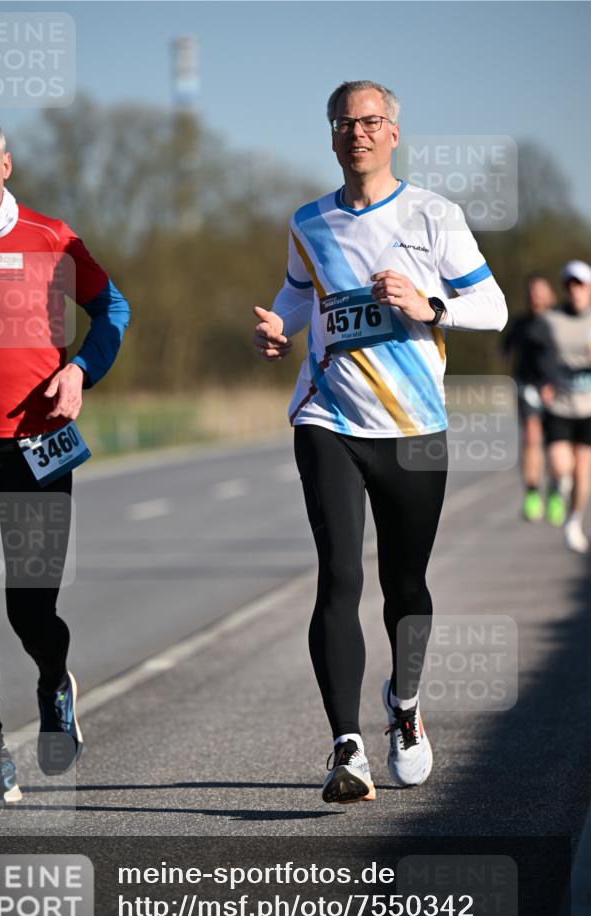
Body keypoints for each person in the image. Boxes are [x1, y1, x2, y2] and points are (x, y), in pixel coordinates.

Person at [253, 80, 507, 804]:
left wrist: (431, 306)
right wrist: (278, 326)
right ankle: (345, 746)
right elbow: (299, 293)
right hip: (327, 414)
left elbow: (491, 305)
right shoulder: (308, 220)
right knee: (338, 574)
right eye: (342, 123)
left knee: (405, 585)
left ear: (393, 132)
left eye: (368, 122)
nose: (355, 133)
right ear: (330, 136)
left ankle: (403, 707)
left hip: (414, 428)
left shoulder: (433, 215)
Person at [0, 112, 130, 807]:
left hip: (40, 449)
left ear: (5, 165)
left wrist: (79, 373)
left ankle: (54, 681)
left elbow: (113, 312)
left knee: (30, 609)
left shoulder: (50, 238)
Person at [537, 260, 591, 553]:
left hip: (589, 408)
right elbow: (535, 355)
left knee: (584, 471)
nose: (575, 290)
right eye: (569, 284)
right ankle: (560, 484)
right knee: (561, 465)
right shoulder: (551, 320)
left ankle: (574, 520)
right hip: (559, 404)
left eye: (580, 284)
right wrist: (542, 381)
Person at [500, 274, 556, 521]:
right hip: (528, 387)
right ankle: (533, 492)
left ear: (550, 294)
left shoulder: (559, 321)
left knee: (556, 446)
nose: (536, 295)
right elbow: (504, 349)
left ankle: (556, 489)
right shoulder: (520, 324)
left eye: (540, 291)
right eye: (532, 291)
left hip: (559, 390)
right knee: (531, 437)